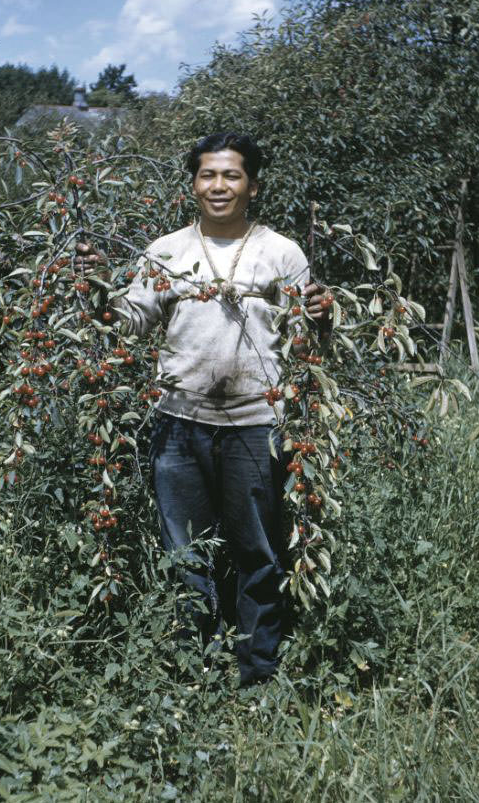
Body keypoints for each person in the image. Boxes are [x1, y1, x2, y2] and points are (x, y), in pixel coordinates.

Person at [76, 131, 331, 686]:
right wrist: (97, 290)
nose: (219, 186)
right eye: (208, 175)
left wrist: (321, 314)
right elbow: (128, 322)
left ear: (253, 186)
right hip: (178, 424)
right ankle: (195, 668)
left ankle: (256, 673)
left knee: (256, 551)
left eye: (232, 175)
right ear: (193, 184)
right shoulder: (166, 251)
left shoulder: (281, 253)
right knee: (185, 552)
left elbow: (309, 343)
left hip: (255, 425)